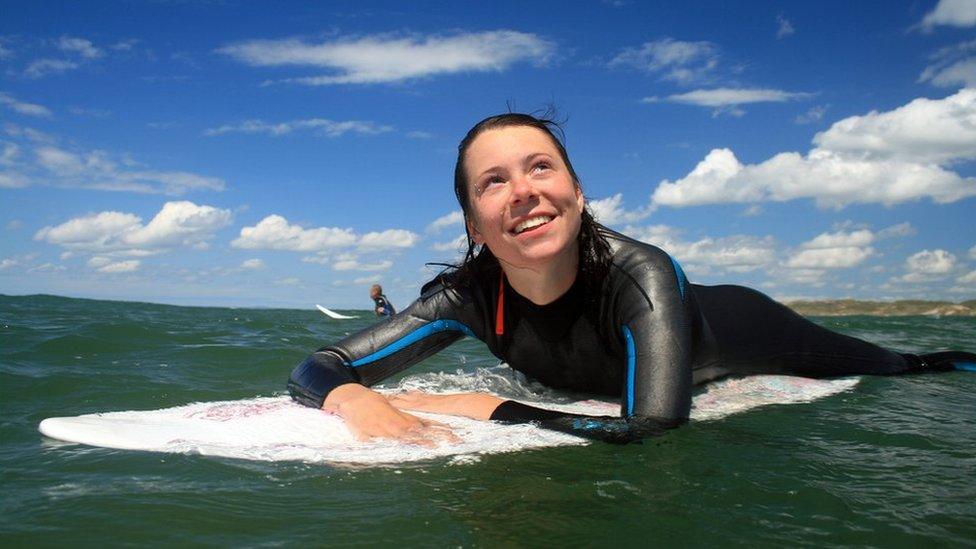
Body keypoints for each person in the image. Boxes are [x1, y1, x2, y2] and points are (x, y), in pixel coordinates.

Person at [289, 112, 976, 444]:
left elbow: (653, 426)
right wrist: (358, 401)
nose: (523, 192)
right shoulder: (468, 297)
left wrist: (487, 407)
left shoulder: (637, 275)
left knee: (904, 363)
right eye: (493, 183)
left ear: (577, 191)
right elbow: (320, 365)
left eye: (540, 168)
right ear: (474, 225)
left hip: (755, 327)